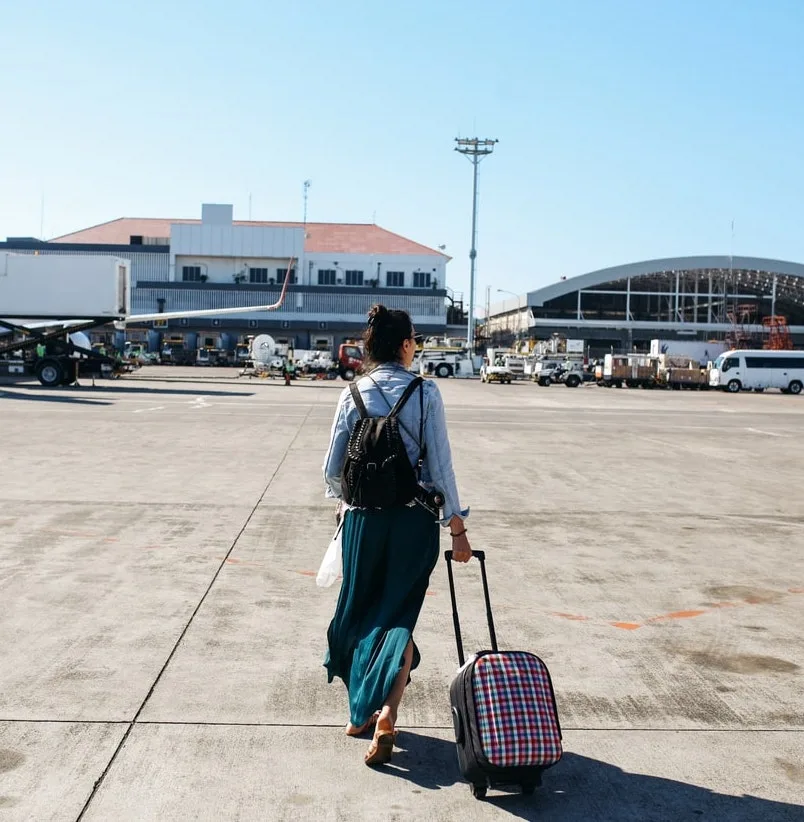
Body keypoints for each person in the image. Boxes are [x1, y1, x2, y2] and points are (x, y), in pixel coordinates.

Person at [322, 304, 472, 767]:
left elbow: (332, 472)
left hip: (363, 522)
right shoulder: (425, 393)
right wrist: (457, 527)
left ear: (371, 346)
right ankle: (385, 715)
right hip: (413, 524)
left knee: (358, 613)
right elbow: (441, 466)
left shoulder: (352, 394)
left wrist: (349, 506)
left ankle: (361, 713)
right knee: (398, 616)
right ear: (407, 345)